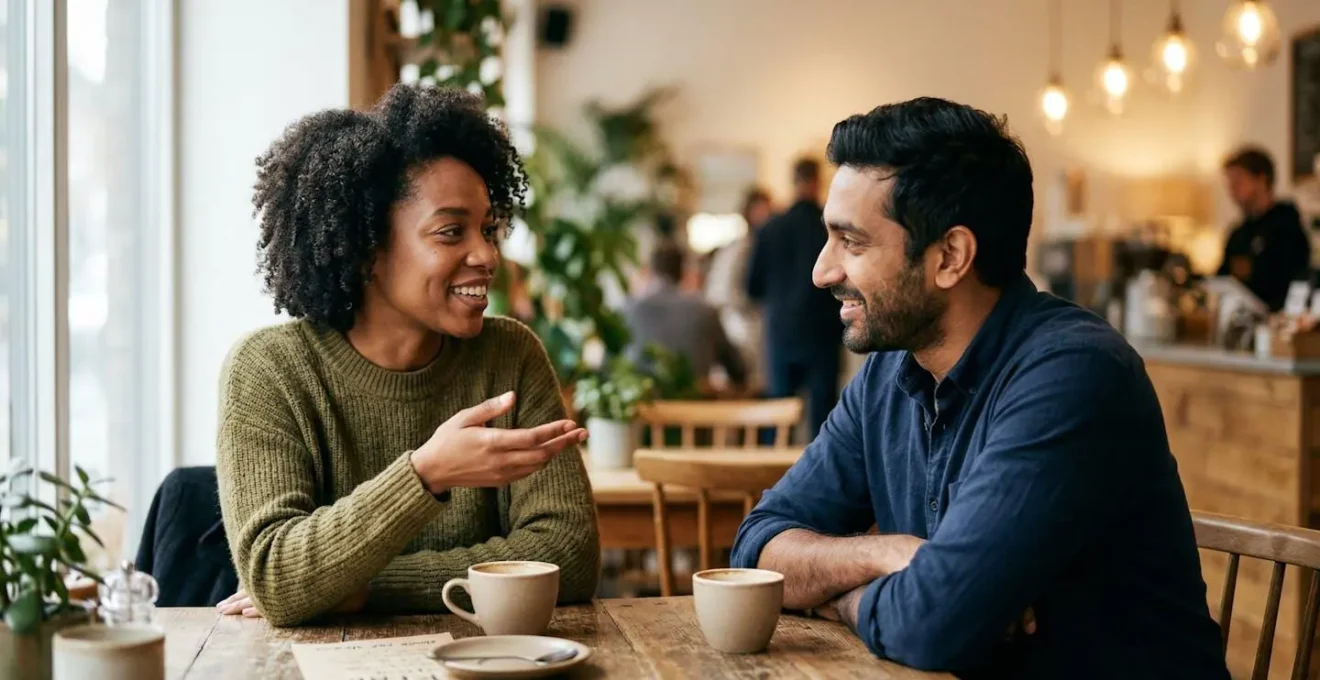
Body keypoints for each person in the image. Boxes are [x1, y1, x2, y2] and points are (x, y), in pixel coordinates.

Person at [730, 98, 1228, 679]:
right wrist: (884, 555)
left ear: (950, 257)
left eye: (853, 242)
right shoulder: (887, 376)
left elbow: (933, 624)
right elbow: (755, 550)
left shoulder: (1074, 373)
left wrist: (837, 595)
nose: (822, 271)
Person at [213, 84, 600, 626]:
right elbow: (277, 577)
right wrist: (427, 473)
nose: (486, 254)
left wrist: (367, 586)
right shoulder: (270, 370)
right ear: (367, 247)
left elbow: (569, 555)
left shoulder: (510, 354)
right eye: (450, 232)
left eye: (488, 229)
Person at [746, 160, 843, 439]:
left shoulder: (771, 228)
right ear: (818, 181)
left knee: (778, 414)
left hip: (782, 331)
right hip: (823, 331)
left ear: (793, 181)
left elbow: (752, 287)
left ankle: (771, 479)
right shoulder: (830, 226)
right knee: (824, 419)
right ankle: (824, 479)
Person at [624, 240, 748, 391]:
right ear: (683, 271)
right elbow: (737, 370)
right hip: (693, 407)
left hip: (642, 406)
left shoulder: (626, 309)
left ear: (650, 271)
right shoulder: (704, 311)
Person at [1217, 146, 1311, 311]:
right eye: (1230, 184)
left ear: (1261, 180)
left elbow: (1295, 287)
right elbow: (1222, 279)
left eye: (1239, 182)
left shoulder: (1288, 230)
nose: (1232, 190)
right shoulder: (1237, 235)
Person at [704, 188, 774, 390]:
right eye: (762, 210)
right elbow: (720, 292)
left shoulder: (766, 244)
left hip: (759, 326)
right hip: (741, 327)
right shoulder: (739, 248)